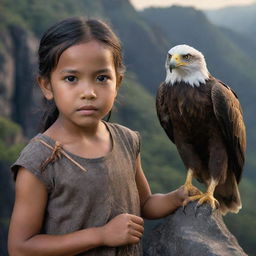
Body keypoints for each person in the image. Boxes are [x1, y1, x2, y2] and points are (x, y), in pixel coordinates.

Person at [8, 17, 188, 256]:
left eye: (102, 78)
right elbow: (21, 248)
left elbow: (143, 204)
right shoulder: (40, 160)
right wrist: (101, 235)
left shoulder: (126, 141)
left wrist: (177, 198)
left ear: (118, 83)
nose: (89, 93)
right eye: (71, 79)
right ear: (47, 86)